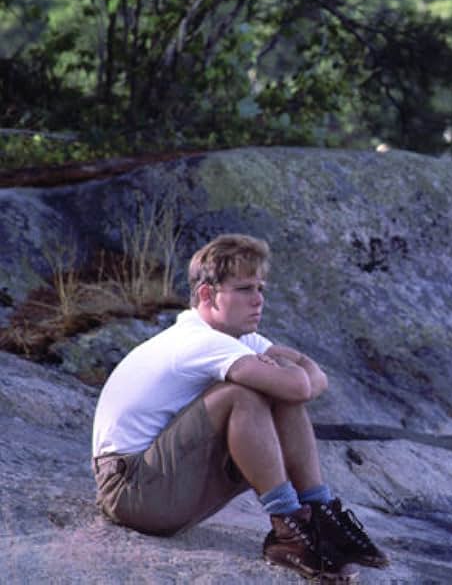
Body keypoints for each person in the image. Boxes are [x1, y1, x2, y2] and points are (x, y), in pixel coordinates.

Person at [92, 234, 389, 582]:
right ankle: (288, 527)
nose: (258, 299)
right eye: (245, 289)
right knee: (243, 395)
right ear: (207, 295)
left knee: (278, 392)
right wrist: (292, 369)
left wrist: (294, 371)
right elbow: (300, 383)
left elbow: (314, 382)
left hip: (164, 486)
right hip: (131, 491)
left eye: (261, 288)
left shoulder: (239, 339)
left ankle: (318, 513)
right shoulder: (200, 341)